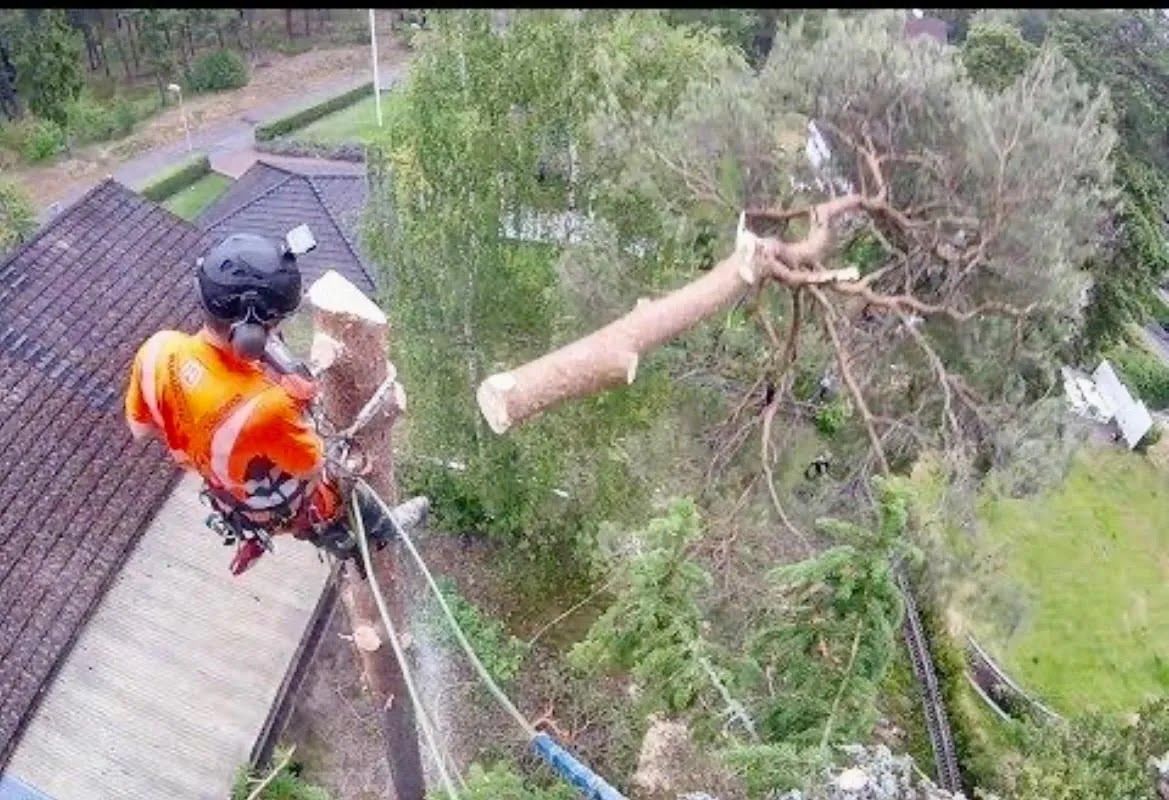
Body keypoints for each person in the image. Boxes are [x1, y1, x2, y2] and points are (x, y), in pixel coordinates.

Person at [124, 232, 395, 575]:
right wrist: (290, 405)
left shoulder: (157, 350)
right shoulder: (267, 408)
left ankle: (324, 533)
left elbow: (140, 428)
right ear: (251, 333)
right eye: (276, 323)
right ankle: (370, 529)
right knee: (340, 470)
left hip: (228, 494)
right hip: (276, 504)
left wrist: (201, 418)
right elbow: (310, 469)